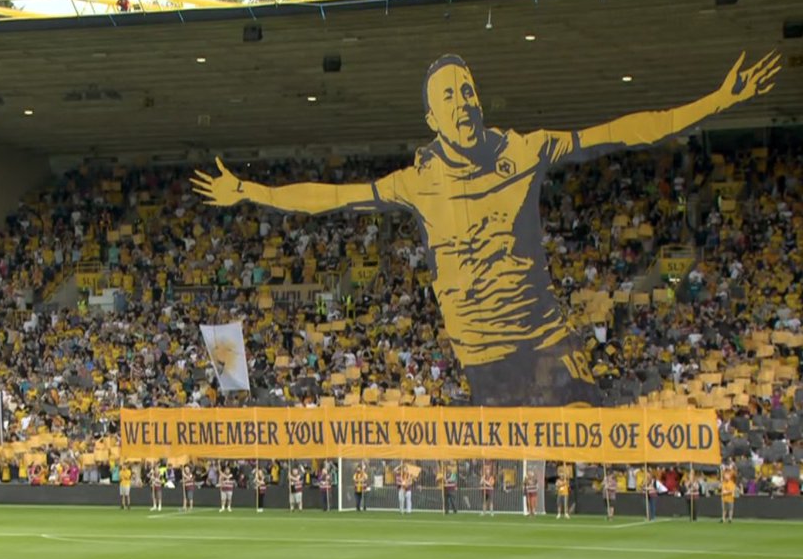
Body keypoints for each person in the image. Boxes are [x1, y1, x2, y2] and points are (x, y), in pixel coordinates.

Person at [192, 51, 781, 405]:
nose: (463, 100)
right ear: (432, 118)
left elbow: (624, 130)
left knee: (585, 430)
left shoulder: (524, 151)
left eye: (468, 89)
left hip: (545, 340)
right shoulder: (416, 182)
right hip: (481, 357)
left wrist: (716, 102)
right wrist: (249, 190)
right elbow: (330, 198)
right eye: (448, 96)